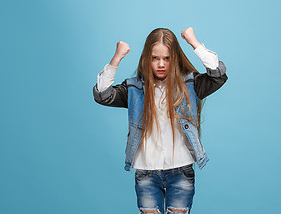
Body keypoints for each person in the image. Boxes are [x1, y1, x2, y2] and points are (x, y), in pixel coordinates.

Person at [92, 27, 228, 213]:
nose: (161, 64)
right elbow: (102, 95)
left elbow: (218, 75)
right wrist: (116, 59)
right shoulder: (134, 89)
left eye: (167, 58)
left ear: (176, 58)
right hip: (146, 172)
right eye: (155, 58)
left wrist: (194, 43)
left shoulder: (190, 85)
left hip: (181, 170)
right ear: (147, 59)